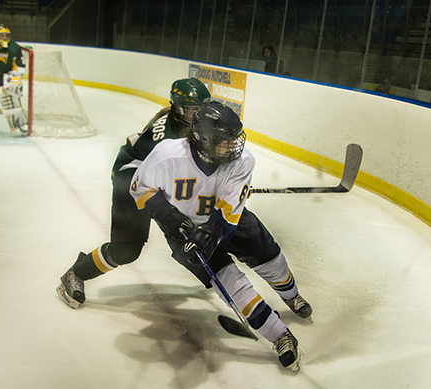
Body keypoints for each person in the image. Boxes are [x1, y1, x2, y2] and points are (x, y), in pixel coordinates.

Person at [130, 101, 307, 372]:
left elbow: (226, 213)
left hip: (227, 222)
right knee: (231, 282)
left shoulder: (242, 161)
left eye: (236, 138)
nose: (235, 145)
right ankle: (280, 335)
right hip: (183, 231)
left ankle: (291, 296)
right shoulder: (167, 154)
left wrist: (212, 231)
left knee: (271, 259)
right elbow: (139, 186)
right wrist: (165, 213)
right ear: (203, 139)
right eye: (226, 140)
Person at [56, 78, 211, 308]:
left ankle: (220, 281)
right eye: (192, 110)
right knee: (127, 250)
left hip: (153, 181)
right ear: (178, 108)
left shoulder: (186, 126)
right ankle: (76, 273)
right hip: (129, 182)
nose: (198, 115)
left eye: (201, 109)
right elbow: (164, 178)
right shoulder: (166, 137)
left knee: (193, 231)